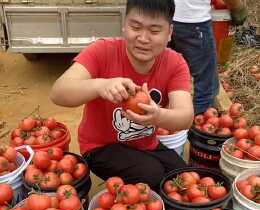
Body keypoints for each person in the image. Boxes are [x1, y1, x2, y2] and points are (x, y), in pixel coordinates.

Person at [50, 0, 194, 190]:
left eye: (154, 30)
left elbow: (186, 117)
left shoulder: (175, 64)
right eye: (136, 27)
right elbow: (58, 92)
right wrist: (101, 85)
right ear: (124, 26)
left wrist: (158, 116)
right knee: (153, 176)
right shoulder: (102, 51)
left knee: (184, 177)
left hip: (145, 145)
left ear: (169, 33)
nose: (143, 38)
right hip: (100, 147)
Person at [171, 0, 248, 115]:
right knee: (207, 81)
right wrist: (238, 7)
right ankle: (201, 120)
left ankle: (156, 116)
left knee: (163, 67)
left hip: (161, 15)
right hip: (192, 20)